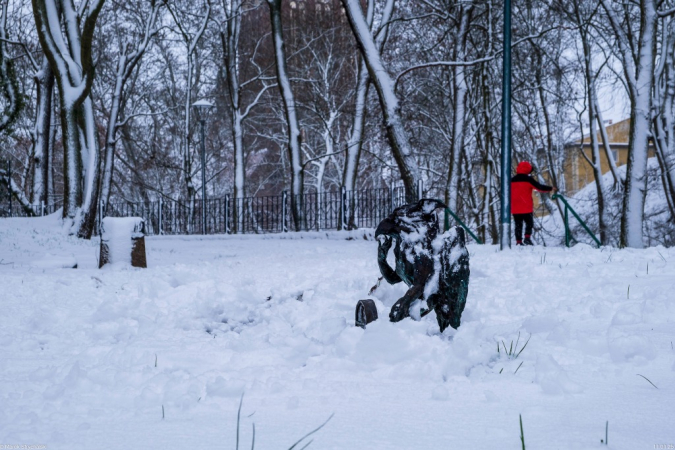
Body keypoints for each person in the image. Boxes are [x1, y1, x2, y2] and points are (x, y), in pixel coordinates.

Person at [511, 161, 555, 246]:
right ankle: (527, 238)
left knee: (518, 224)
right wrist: (550, 188)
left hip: (515, 206)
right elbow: (539, 187)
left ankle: (519, 241)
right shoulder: (528, 180)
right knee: (529, 223)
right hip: (526, 206)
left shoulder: (512, 180)